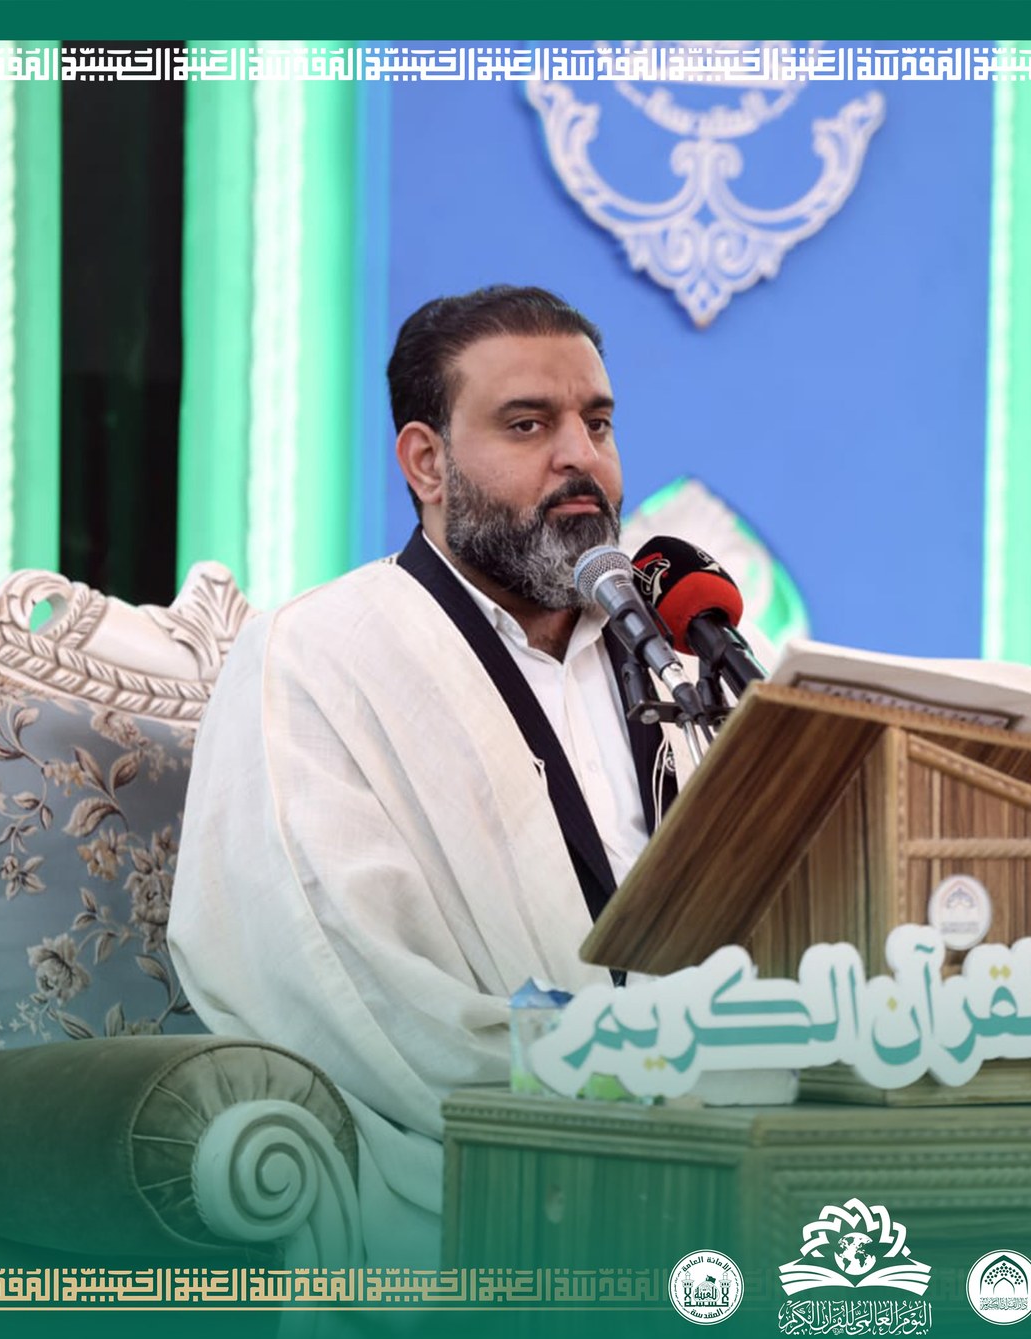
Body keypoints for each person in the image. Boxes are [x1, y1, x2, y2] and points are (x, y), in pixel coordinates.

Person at [168, 286, 682, 1268]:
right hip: (483, 1172)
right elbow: (339, 975)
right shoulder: (317, 654)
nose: (579, 456)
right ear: (426, 461)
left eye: (598, 422)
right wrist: (638, 1080)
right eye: (528, 424)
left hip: (725, 1140)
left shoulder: (667, 657)